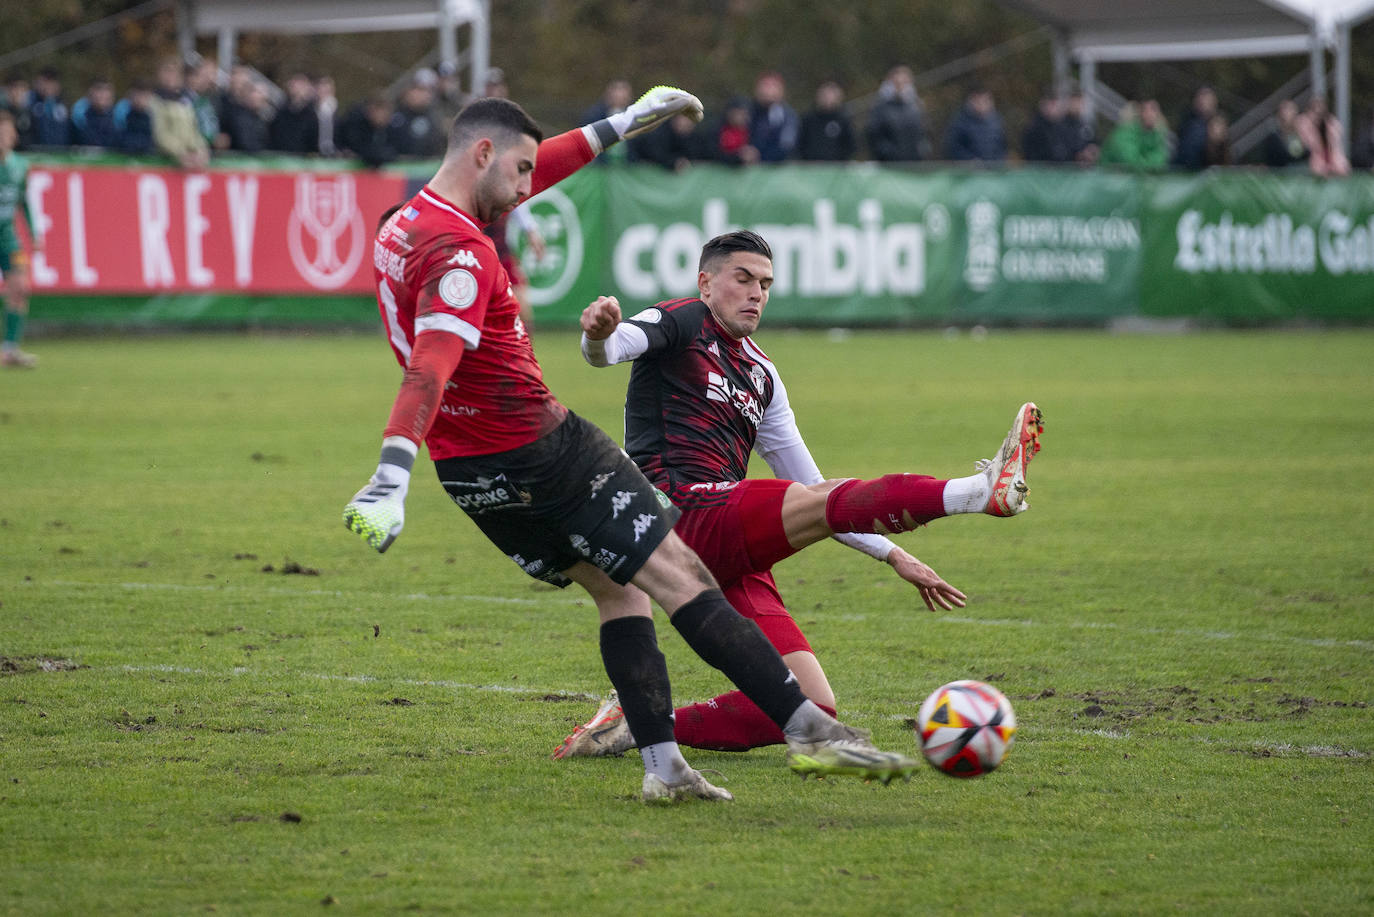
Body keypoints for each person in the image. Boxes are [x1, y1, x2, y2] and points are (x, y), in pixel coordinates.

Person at [341, 89, 923, 803]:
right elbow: (431, 362)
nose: (530, 188)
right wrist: (388, 473)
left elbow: (530, 170)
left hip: (470, 473)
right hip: (544, 448)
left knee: (618, 594)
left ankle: (663, 765)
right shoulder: (465, 256)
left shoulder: (402, 225)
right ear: (483, 156)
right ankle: (809, 728)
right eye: (521, 172)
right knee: (681, 574)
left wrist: (622, 123)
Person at [554, 230, 1042, 758]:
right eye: (742, 279)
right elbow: (610, 349)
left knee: (812, 705)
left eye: (765, 283)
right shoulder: (681, 321)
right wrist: (598, 335)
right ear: (706, 283)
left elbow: (816, 487)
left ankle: (641, 723)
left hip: (727, 535)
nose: (756, 293)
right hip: (678, 512)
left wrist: (894, 554)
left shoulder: (762, 374)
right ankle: (975, 492)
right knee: (814, 503)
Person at [0, 111, 41, 368]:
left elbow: (24, 202)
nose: (7, 137)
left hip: (7, 235)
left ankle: (10, 350)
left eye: (8, 132)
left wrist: (35, 235)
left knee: (20, 288)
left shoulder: (20, 166)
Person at [150, 58, 210, 168]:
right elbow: (160, 134)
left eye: (174, 72)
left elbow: (194, 130)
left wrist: (201, 150)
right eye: (167, 71)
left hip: (188, 163)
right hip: (164, 163)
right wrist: (182, 153)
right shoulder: (155, 100)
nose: (171, 76)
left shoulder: (186, 100)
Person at [864, 65, 926, 163]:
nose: (901, 87)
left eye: (905, 83)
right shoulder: (880, 108)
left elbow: (923, 134)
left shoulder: (916, 107)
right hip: (889, 164)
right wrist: (887, 153)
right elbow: (873, 135)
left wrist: (922, 150)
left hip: (913, 163)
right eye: (897, 83)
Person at [1099, 99, 1170, 171]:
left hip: (1130, 178)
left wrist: (1150, 165)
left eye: (1154, 110)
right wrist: (1150, 165)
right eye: (1146, 110)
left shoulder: (1156, 135)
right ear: (1139, 112)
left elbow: (1160, 160)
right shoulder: (1123, 133)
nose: (1150, 114)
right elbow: (1131, 163)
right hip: (1107, 176)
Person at [943, 85, 1006, 163]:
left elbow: (1001, 146)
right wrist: (969, 160)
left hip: (992, 170)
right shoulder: (960, 122)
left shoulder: (997, 121)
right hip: (968, 171)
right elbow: (953, 147)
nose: (982, 105)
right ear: (971, 101)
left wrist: (998, 161)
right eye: (978, 101)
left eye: (985, 101)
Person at [797, 81, 856, 162]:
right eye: (825, 95)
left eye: (831, 96)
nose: (828, 99)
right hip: (811, 167)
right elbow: (800, 144)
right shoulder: (808, 119)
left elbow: (850, 145)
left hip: (836, 168)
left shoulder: (843, 120)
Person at [749, 71, 799, 162]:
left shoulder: (788, 116)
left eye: (773, 86)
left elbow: (786, 145)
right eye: (766, 85)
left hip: (775, 170)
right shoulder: (745, 111)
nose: (769, 90)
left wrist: (759, 158)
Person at [1295, 97, 1350, 178]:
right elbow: (1309, 146)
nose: (1318, 116)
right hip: (1310, 161)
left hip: (1331, 160)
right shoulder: (1303, 124)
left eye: (1321, 113)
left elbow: (1335, 147)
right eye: (1315, 112)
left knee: (1342, 170)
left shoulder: (1331, 124)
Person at [268, 72, 319, 154]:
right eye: (295, 85)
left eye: (301, 86)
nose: (298, 89)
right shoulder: (280, 111)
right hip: (280, 157)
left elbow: (313, 139)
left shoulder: (311, 114)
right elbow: (274, 133)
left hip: (301, 159)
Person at [1173, 86, 1217, 170]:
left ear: (1213, 103)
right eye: (1200, 99)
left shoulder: (1217, 124)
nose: (1202, 102)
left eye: (1206, 100)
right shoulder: (1187, 121)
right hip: (1182, 169)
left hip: (1205, 172)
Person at [1021, 87, 1067, 163]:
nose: (1054, 108)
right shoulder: (1033, 128)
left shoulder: (1062, 127)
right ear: (1043, 105)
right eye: (1051, 104)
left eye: (1055, 104)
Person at [70, 78, 118, 149]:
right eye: (99, 90)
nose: (102, 94)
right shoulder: (79, 119)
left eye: (106, 90)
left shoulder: (118, 120)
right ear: (91, 94)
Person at [27, 68, 69, 147]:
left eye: (51, 82)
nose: (47, 87)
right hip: (37, 153)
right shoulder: (30, 103)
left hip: (61, 154)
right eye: (44, 82)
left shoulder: (64, 105)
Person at [1262, 100, 1309, 170]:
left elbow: (1308, 154)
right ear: (1280, 116)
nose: (1292, 114)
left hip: (1300, 174)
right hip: (1281, 175)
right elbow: (1277, 160)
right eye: (1287, 110)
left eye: (1293, 110)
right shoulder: (1273, 138)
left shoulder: (1302, 134)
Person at [1058, 87, 1098, 166]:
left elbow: (1094, 142)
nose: (1077, 105)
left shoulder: (1087, 125)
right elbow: (1059, 151)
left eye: (1080, 102)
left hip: (1085, 169)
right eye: (1075, 102)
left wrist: (1093, 150)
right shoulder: (1060, 125)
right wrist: (1079, 155)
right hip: (1066, 170)